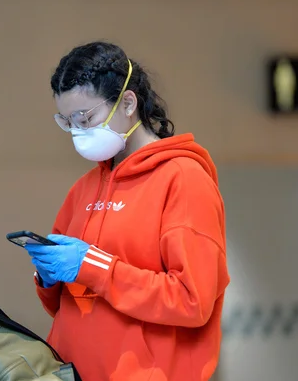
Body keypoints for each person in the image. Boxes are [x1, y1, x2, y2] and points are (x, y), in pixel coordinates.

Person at [25, 41, 230, 381]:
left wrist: (94, 267)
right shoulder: (84, 189)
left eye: (86, 117)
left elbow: (193, 301)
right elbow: (62, 308)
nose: (78, 131)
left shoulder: (183, 179)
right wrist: (49, 279)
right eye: (68, 121)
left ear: (128, 103)